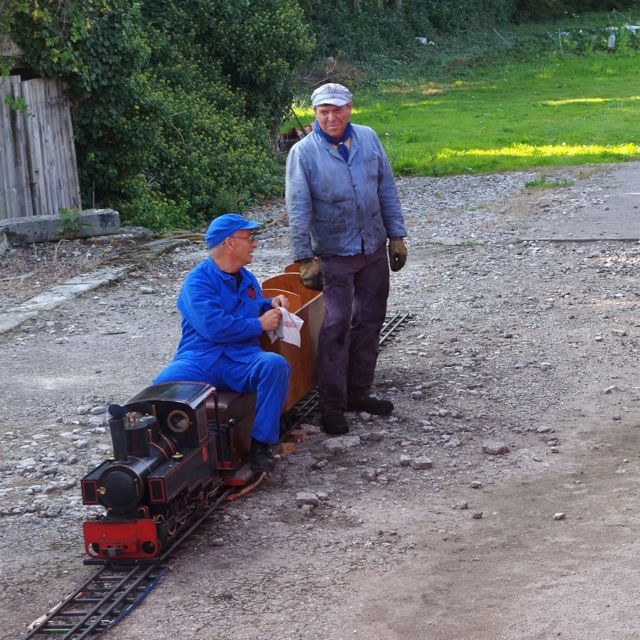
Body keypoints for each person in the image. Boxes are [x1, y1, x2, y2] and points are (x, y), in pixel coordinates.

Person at [285, 82, 408, 436]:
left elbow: (386, 187)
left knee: (371, 321)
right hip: (334, 253)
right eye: (324, 111)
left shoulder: (368, 139)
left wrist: (396, 236)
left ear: (350, 108)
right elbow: (298, 208)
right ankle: (333, 406)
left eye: (337, 110)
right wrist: (304, 259)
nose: (331, 117)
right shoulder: (304, 154)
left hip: (372, 248)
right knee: (337, 325)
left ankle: (359, 393)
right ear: (315, 115)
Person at [153, 213, 290, 472]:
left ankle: (261, 445)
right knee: (159, 386)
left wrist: (268, 303)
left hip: (243, 359)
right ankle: (163, 449)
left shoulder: (247, 278)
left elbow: (250, 306)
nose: (254, 244)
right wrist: (259, 324)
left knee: (275, 366)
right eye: (249, 238)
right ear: (229, 243)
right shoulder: (197, 282)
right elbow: (214, 327)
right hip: (201, 358)